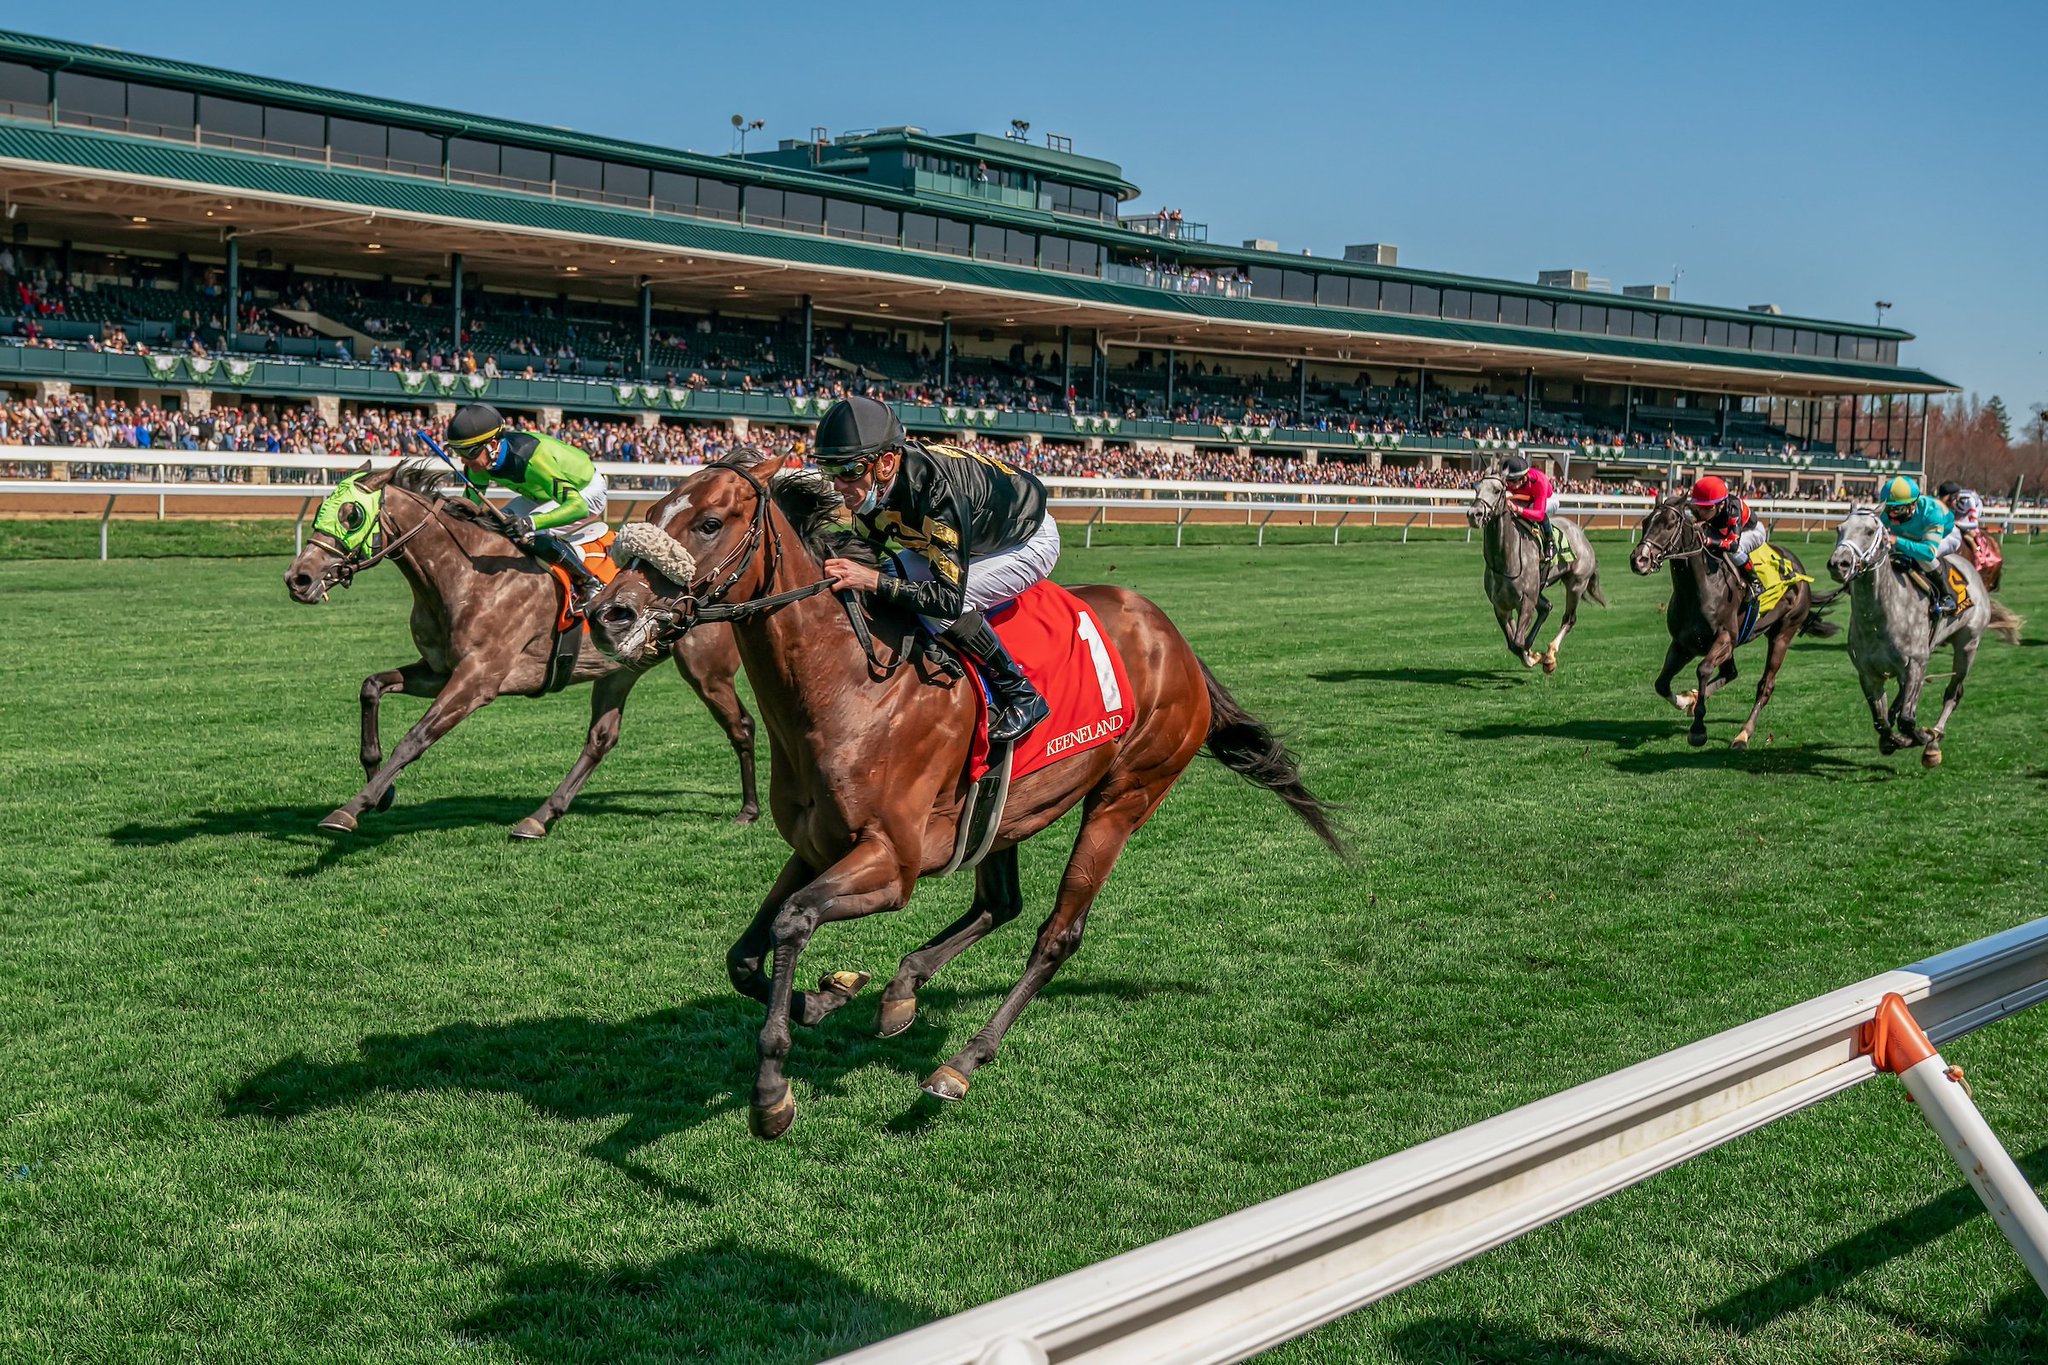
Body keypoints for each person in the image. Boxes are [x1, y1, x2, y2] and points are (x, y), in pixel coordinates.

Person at [812, 395, 1056, 744]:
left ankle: (1021, 694)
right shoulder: (875, 486)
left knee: (938, 609)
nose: (838, 485)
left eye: (849, 471)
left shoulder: (936, 494)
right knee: (890, 574)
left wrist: (871, 579)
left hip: (1025, 539)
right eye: (830, 471)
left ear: (885, 463)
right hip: (973, 535)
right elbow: (866, 551)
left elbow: (946, 599)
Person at [442, 402, 607, 609]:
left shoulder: (534, 460)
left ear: (493, 445)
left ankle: (589, 583)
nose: (464, 461)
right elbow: (470, 507)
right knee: (495, 524)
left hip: (584, 491)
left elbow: (577, 507)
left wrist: (531, 522)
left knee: (528, 533)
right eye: (459, 453)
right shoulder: (481, 462)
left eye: (469, 452)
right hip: (541, 493)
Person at [1881, 474, 1961, 616]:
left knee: (1922, 558)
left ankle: (1946, 597)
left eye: (1898, 510)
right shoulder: (1887, 514)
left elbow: (1928, 552)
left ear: (1913, 505)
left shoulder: (1931, 512)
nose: (1891, 516)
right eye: (1888, 508)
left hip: (1947, 536)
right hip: (1911, 535)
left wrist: (1897, 541)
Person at [1689, 474, 1767, 598]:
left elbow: (1733, 544)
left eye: (1707, 508)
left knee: (1733, 552)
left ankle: (1756, 583)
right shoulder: (1705, 507)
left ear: (1721, 505)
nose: (1701, 512)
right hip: (1722, 532)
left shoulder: (1733, 509)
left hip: (1752, 531)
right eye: (1698, 506)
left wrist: (1708, 541)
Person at [1501, 453, 1560, 560]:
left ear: (1524, 477)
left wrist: (1517, 509)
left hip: (1548, 500)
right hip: (1526, 498)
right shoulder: (1511, 483)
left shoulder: (1539, 481)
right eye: (1508, 480)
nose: (1509, 484)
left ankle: (1550, 542)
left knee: (1532, 508)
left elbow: (1539, 514)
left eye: (1513, 481)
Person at [1937, 479, 1986, 562]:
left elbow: (1974, 524)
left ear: (1953, 497)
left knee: (1967, 534)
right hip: (1959, 509)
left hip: (1973, 508)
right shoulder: (1951, 501)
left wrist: (1958, 524)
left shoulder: (1968, 501)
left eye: (1947, 501)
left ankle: (1978, 552)